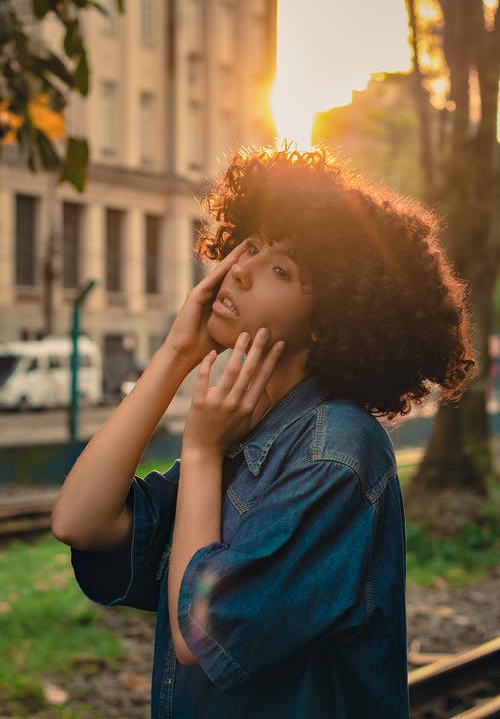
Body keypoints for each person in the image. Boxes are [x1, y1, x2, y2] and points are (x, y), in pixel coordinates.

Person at [52, 145, 476, 718]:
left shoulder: (337, 454)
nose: (241, 271)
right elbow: (80, 520)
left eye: (282, 270)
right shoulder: (255, 433)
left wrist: (201, 451)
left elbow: (203, 634)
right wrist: (178, 353)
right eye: (251, 247)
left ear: (329, 322)